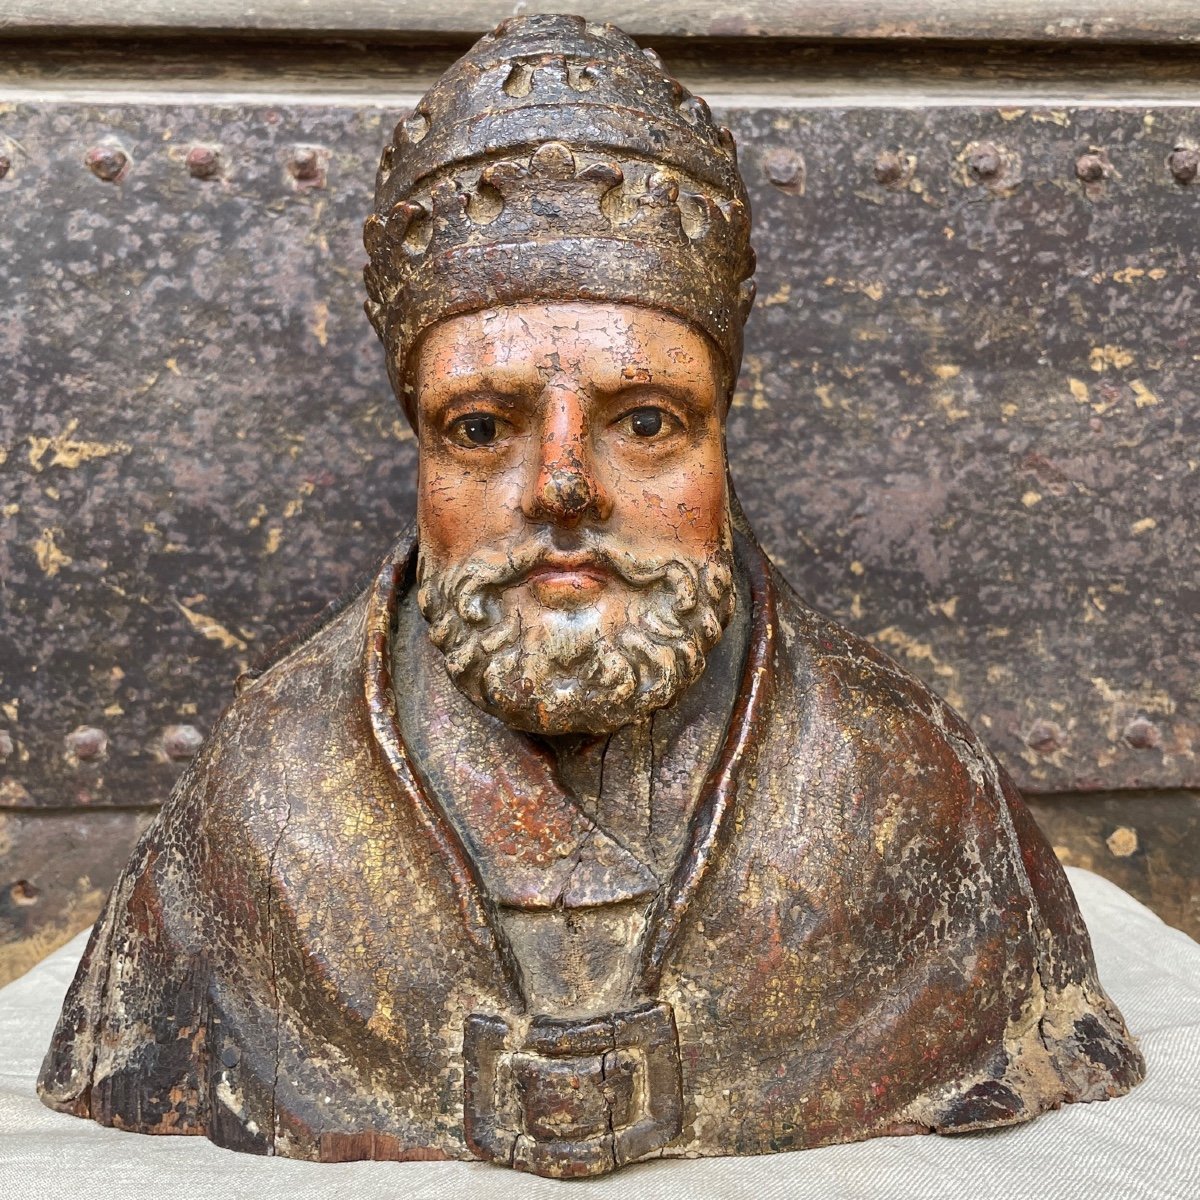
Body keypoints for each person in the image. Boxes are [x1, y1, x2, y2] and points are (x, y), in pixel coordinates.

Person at [38, 15, 1142, 1180]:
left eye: (646, 422)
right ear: (420, 448)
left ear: (721, 437)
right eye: (482, 426)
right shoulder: (255, 802)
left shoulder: (915, 787)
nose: (562, 486)